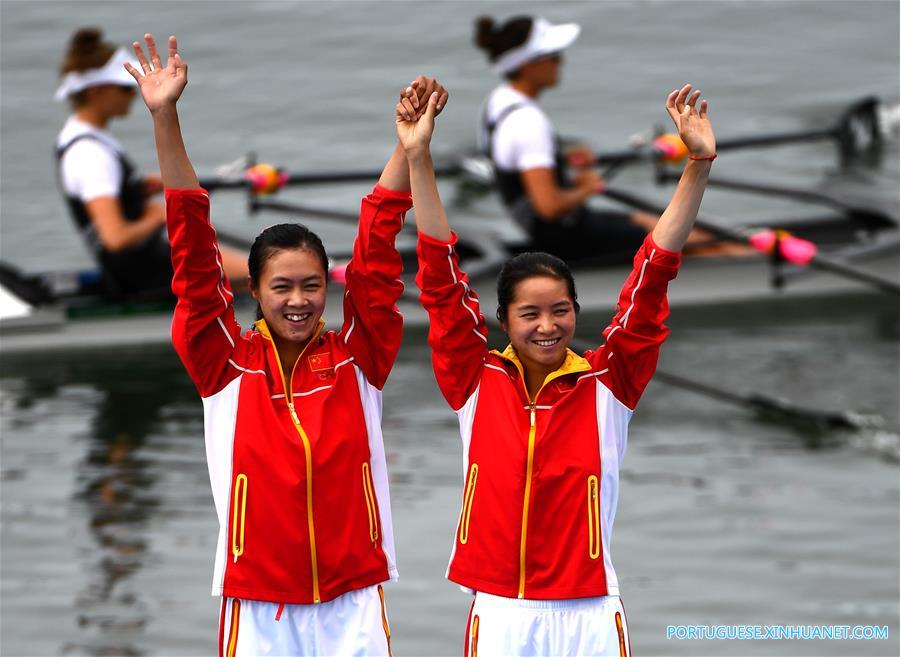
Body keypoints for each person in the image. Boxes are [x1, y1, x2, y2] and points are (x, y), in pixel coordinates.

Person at [125, 34, 446, 655]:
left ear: (329, 288)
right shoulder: (223, 364)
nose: (298, 300)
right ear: (253, 292)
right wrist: (165, 116)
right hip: (259, 603)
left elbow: (377, 258)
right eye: (281, 287)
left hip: (354, 599)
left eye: (311, 286)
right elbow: (192, 253)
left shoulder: (361, 356)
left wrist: (409, 148)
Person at [399, 80, 715, 655]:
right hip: (499, 610)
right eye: (530, 314)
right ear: (501, 320)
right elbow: (440, 277)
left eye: (561, 310)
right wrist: (418, 156)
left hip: (590, 608)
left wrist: (697, 164)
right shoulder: (474, 378)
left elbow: (651, 278)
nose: (547, 326)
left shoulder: (609, 381)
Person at [474, 15, 716, 264]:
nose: (561, 62)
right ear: (528, 65)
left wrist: (561, 156)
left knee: (647, 220)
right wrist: (586, 189)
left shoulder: (497, 102)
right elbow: (549, 207)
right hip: (566, 238)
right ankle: (743, 262)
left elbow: (516, 157)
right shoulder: (527, 123)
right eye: (554, 56)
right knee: (688, 240)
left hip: (557, 228)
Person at [55, 28, 246, 296]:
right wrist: (156, 218)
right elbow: (115, 237)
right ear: (96, 92)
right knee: (263, 276)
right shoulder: (89, 154)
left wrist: (134, 187)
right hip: (144, 273)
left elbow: (105, 193)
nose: (133, 94)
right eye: (124, 88)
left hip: (147, 260)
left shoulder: (82, 136)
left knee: (262, 269)